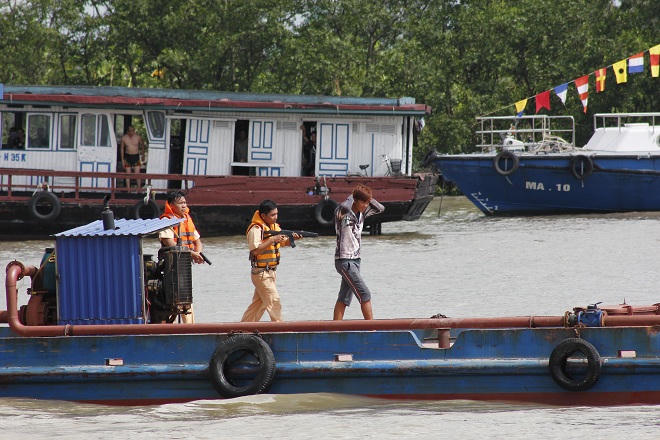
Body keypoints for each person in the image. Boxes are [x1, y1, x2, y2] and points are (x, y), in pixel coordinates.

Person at [241, 200, 301, 322]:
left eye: (276, 214)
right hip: (261, 273)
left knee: (258, 305)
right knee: (274, 301)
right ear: (263, 216)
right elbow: (255, 250)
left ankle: (244, 328)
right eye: (272, 215)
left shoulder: (274, 227)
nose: (276, 217)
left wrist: (293, 239)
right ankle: (279, 328)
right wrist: (272, 239)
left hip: (270, 272)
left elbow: (282, 243)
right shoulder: (256, 229)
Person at [333, 184, 384, 320]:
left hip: (356, 261)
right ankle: (372, 328)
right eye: (363, 202)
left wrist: (368, 198)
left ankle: (335, 329)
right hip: (344, 261)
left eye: (367, 203)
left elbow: (380, 208)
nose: (366, 206)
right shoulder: (343, 212)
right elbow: (342, 207)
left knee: (344, 298)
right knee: (365, 294)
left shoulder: (362, 213)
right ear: (355, 200)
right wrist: (352, 196)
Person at [158, 191, 204, 323]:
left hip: (185, 265)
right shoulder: (166, 220)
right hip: (171, 265)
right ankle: (170, 325)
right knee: (174, 297)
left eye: (185, 202)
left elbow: (197, 241)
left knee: (186, 295)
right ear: (171, 205)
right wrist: (192, 254)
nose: (184, 205)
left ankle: (190, 327)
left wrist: (198, 253)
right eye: (180, 203)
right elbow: (169, 243)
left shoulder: (187, 218)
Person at [120, 126, 145, 190]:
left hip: (136, 156)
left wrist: (143, 155)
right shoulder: (124, 138)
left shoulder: (138, 137)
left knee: (137, 173)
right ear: (127, 131)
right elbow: (122, 149)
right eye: (130, 131)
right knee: (128, 174)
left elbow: (142, 145)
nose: (132, 132)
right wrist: (122, 160)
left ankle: (139, 189)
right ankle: (128, 190)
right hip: (127, 156)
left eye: (133, 130)